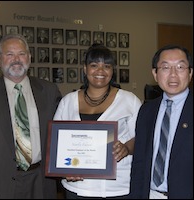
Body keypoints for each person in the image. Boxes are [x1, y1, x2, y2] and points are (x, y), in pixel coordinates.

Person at [53, 44, 142, 199]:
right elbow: (57, 143)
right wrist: (64, 169)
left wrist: (126, 148)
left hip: (118, 187)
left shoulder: (129, 100)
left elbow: (143, 138)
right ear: (85, 69)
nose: (100, 71)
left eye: (106, 66)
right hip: (77, 188)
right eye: (94, 65)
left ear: (112, 70)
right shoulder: (68, 101)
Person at [0, 34, 62, 199]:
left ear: (29, 58)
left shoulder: (49, 91)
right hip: (1, 182)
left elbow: (62, 132)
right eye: (9, 54)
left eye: (21, 54)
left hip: (41, 180)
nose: (16, 59)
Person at [128, 44, 193, 199]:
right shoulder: (146, 110)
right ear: (155, 74)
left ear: (190, 73)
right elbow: (139, 162)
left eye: (180, 67)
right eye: (165, 67)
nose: (173, 74)